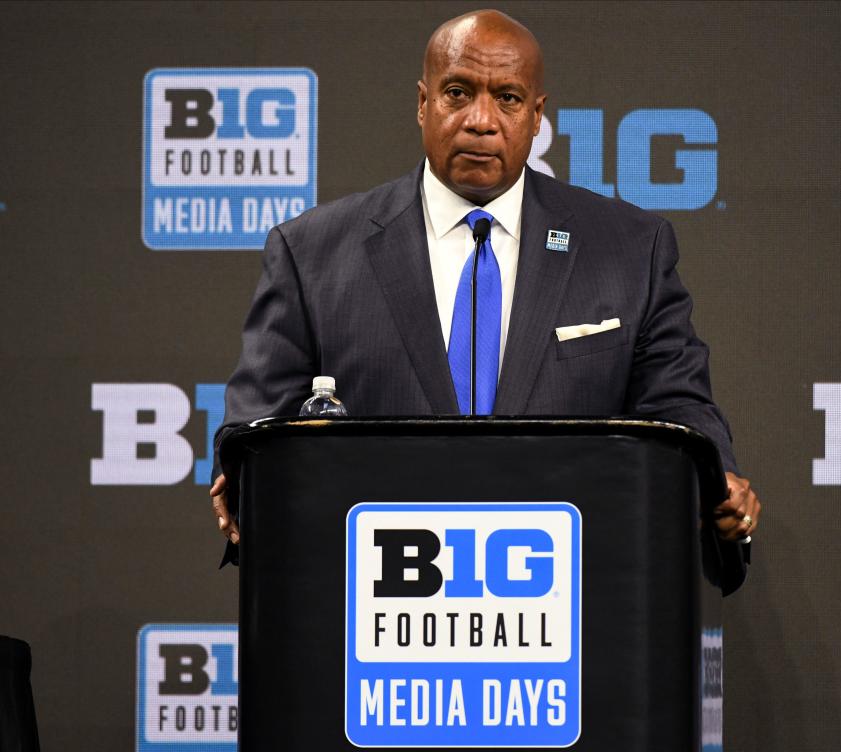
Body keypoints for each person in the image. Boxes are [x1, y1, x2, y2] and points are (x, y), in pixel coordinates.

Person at [210, 9, 761, 568]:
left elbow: (679, 406)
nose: (481, 120)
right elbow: (257, 426)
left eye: (508, 99)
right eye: (457, 92)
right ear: (423, 103)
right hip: (372, 590)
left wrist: (718, 478)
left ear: (538, 116)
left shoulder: (630, 249)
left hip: (573, 587)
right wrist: (240, 477)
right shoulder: (312, 252)